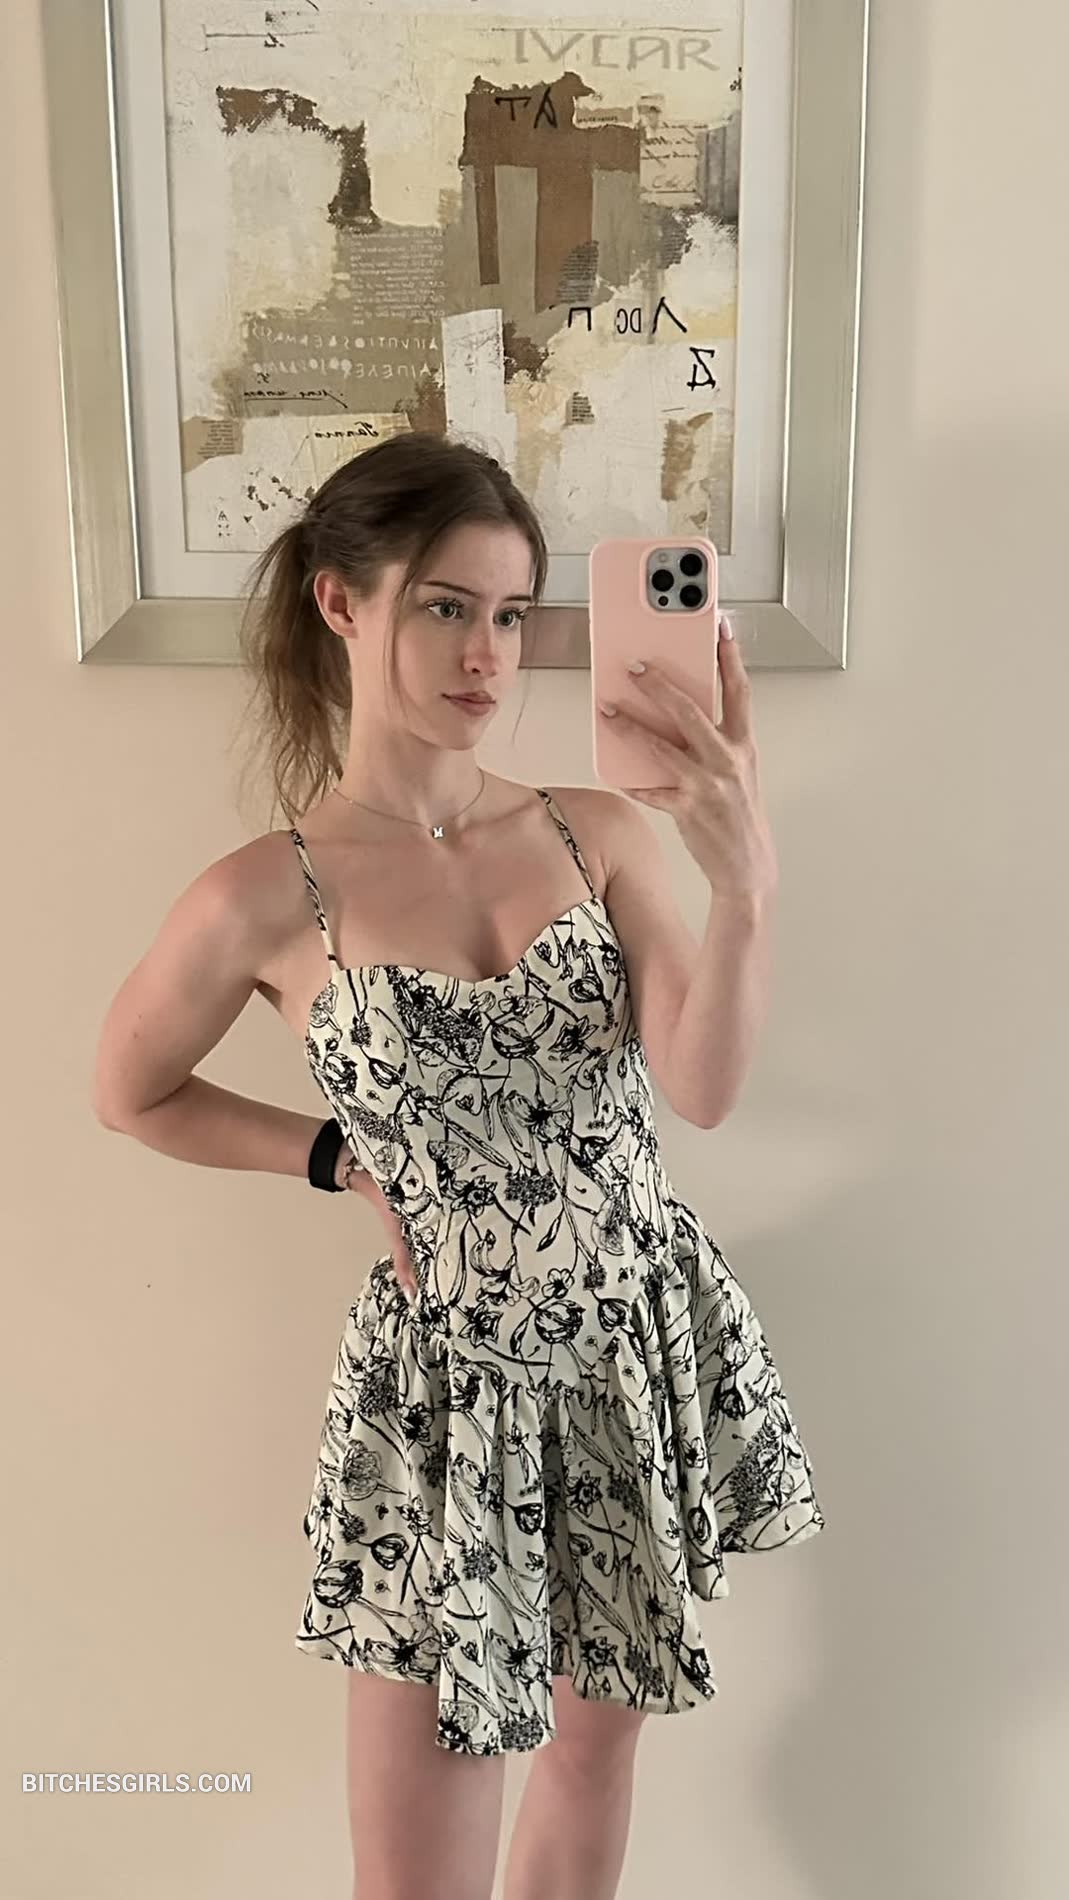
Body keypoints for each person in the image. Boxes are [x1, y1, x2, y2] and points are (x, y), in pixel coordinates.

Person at [92, 433, 824, 1900]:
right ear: (339, 601)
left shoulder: (594, 832)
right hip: (443, 1390)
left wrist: (743, 884)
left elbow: (700, 1088)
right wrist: (328, 1158)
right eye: (444, 607)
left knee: (590, 1766)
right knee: (416, 1873)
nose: (488, 655)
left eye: (509, 614)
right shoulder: (263, 895)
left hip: (627, 1344)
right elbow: (131, 1092)